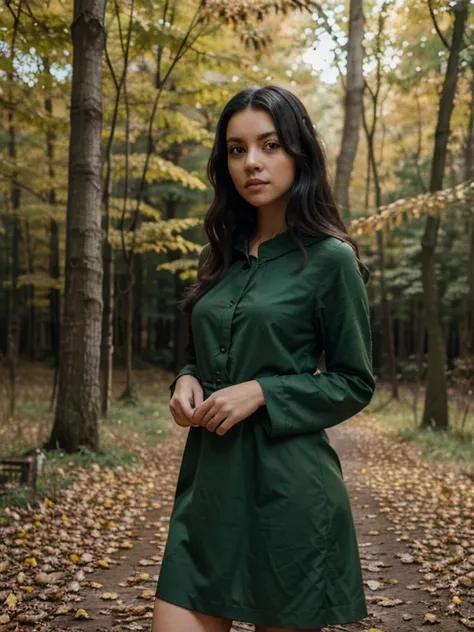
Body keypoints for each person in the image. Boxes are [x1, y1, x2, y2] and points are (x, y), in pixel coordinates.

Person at [152, 85, 375, 632]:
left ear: (298, 152)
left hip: (290, 497)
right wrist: (186, 379)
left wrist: (263, 391)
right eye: (236, 149)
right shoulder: (217, 254)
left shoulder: (330, 260)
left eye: (269, 144)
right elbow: (196, 354)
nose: (251, 162)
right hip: (208, 490)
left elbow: (354, 381)